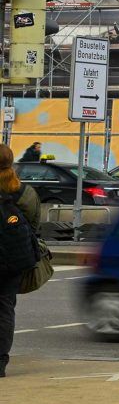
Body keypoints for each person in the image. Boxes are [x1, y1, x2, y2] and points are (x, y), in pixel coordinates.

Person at [0, 146, 44, 378]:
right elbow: (35, 226)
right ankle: (0, 362)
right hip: (13, 261)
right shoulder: (25, 192)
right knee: (5, 308)